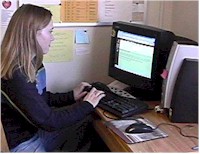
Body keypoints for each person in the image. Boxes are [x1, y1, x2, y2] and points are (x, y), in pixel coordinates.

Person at [1, 4, 106, 152]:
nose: (53, 38)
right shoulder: (16, 75)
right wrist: (87, 104)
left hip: (36, 132)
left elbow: (39, 101)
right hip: (23, 144)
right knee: (90, 121)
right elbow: (49, 121)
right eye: (50, 32)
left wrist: (71, 95)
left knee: (89, 123)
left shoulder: (33, 61)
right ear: (32, 34)